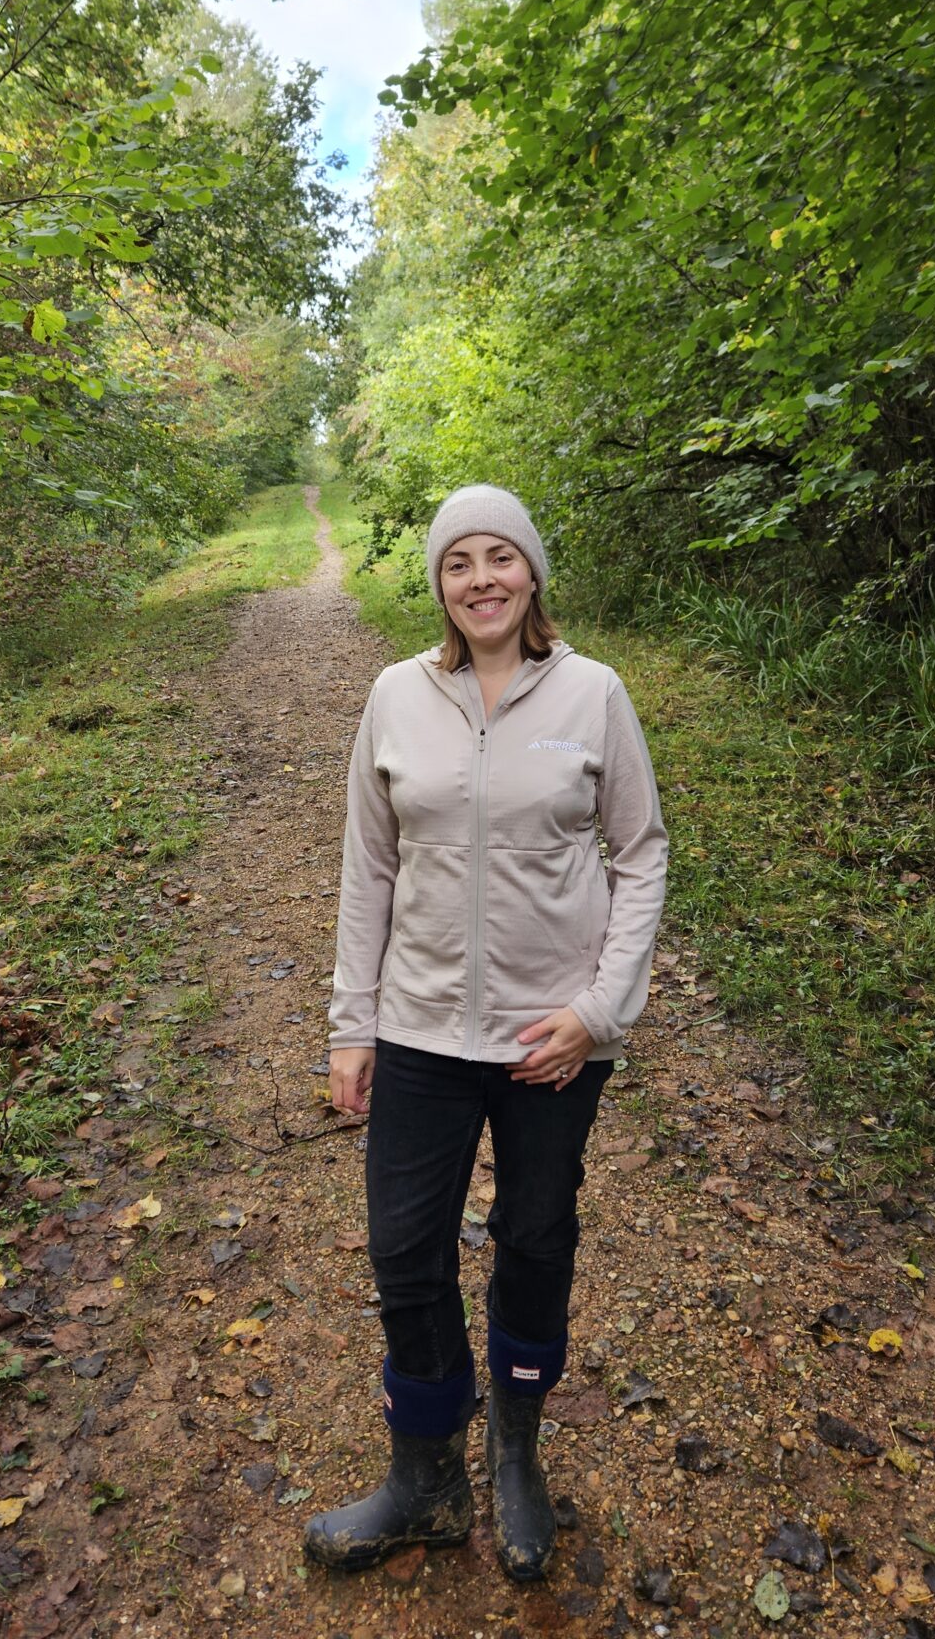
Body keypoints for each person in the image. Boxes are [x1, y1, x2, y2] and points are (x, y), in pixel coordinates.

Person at [302, 483, 670, 1583]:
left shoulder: (594, 694)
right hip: (417, 1027)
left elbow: (641, 852)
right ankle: (424, 1476)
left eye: (498, 558)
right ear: (438, 584)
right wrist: (350, 1026)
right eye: (457, 563)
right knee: (404, 1250)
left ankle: (517, 1453)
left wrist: (598, 1012)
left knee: (535, 1239)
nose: (480, 581)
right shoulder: (395, 696)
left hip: (550, 1040)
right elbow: (368, 867)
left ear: (532, 573)